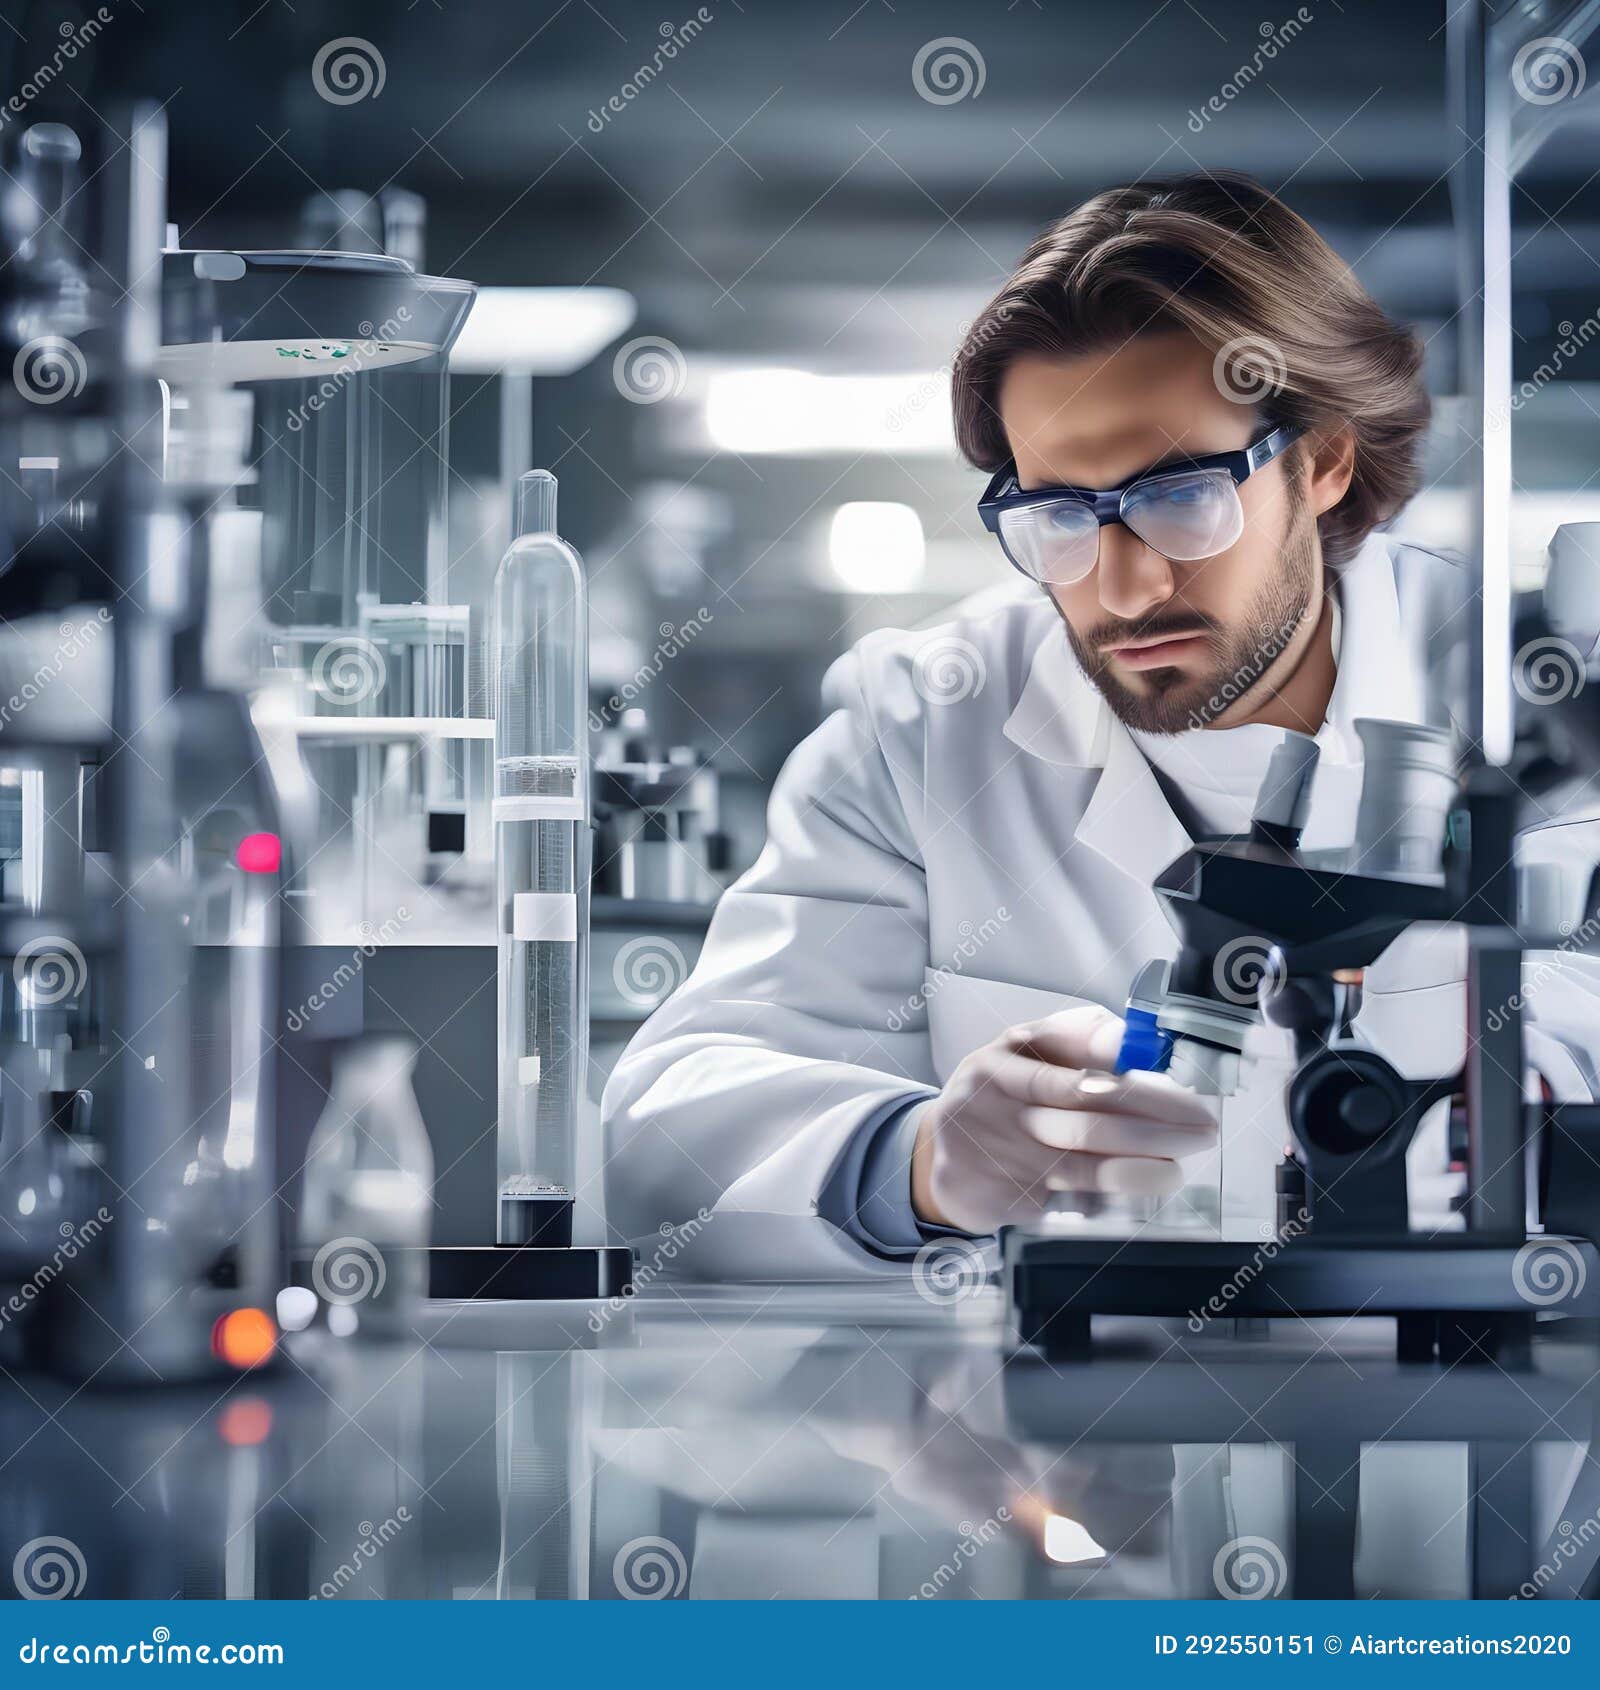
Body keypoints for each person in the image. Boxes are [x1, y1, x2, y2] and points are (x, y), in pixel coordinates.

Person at [601, 173, 1597, 1279]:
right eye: (1056, 515)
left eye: (1179, 497)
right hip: (1061, 1432)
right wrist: (929, 1157)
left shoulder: (1525, 705)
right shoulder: (926, 720)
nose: (1119, 587)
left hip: (1471, 1421)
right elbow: (662, 1136)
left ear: (1321, 463)